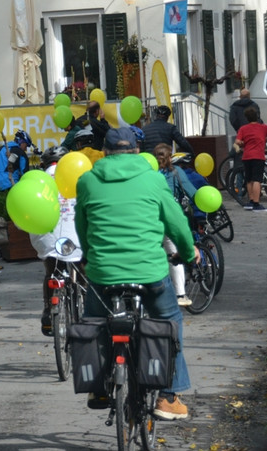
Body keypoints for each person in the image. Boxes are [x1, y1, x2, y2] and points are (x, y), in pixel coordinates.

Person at [75, 127, 197, 420]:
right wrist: (189, 253)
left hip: (103, 274)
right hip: (148, 273)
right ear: (136, 150)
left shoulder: (88, 181)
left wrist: (89, 256)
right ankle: (168, 397)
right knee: (169, 320)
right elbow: (177, 223)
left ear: (104, 152)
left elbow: (83, 225)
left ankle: (99, 386)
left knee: (94, 322)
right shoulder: (153, 179)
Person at [28, 145, 82, 336]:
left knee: (52, 271)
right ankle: (88, 311)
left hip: (48, 237)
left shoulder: (38, 181)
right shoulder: (79, 175)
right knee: (84, 270)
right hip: (75, 235)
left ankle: (47, 310)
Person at [154, 143, 196, 308]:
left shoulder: (149, 173)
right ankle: (180, 294)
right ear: (170, 157)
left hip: (150, 218)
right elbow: (191, 192)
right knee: (174, 253)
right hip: (169, 217)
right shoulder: (175, 172)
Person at [234, 106, 267, 212]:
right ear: (257, 116)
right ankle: (256, 203)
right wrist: (263, 140)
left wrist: (243, 143)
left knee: (249, 179)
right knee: (257, 180)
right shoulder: (264, 128)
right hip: (258, 156)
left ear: (247, 118)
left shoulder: (243, 128)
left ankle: (251, 201)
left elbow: (237, 141)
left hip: (246, 156)